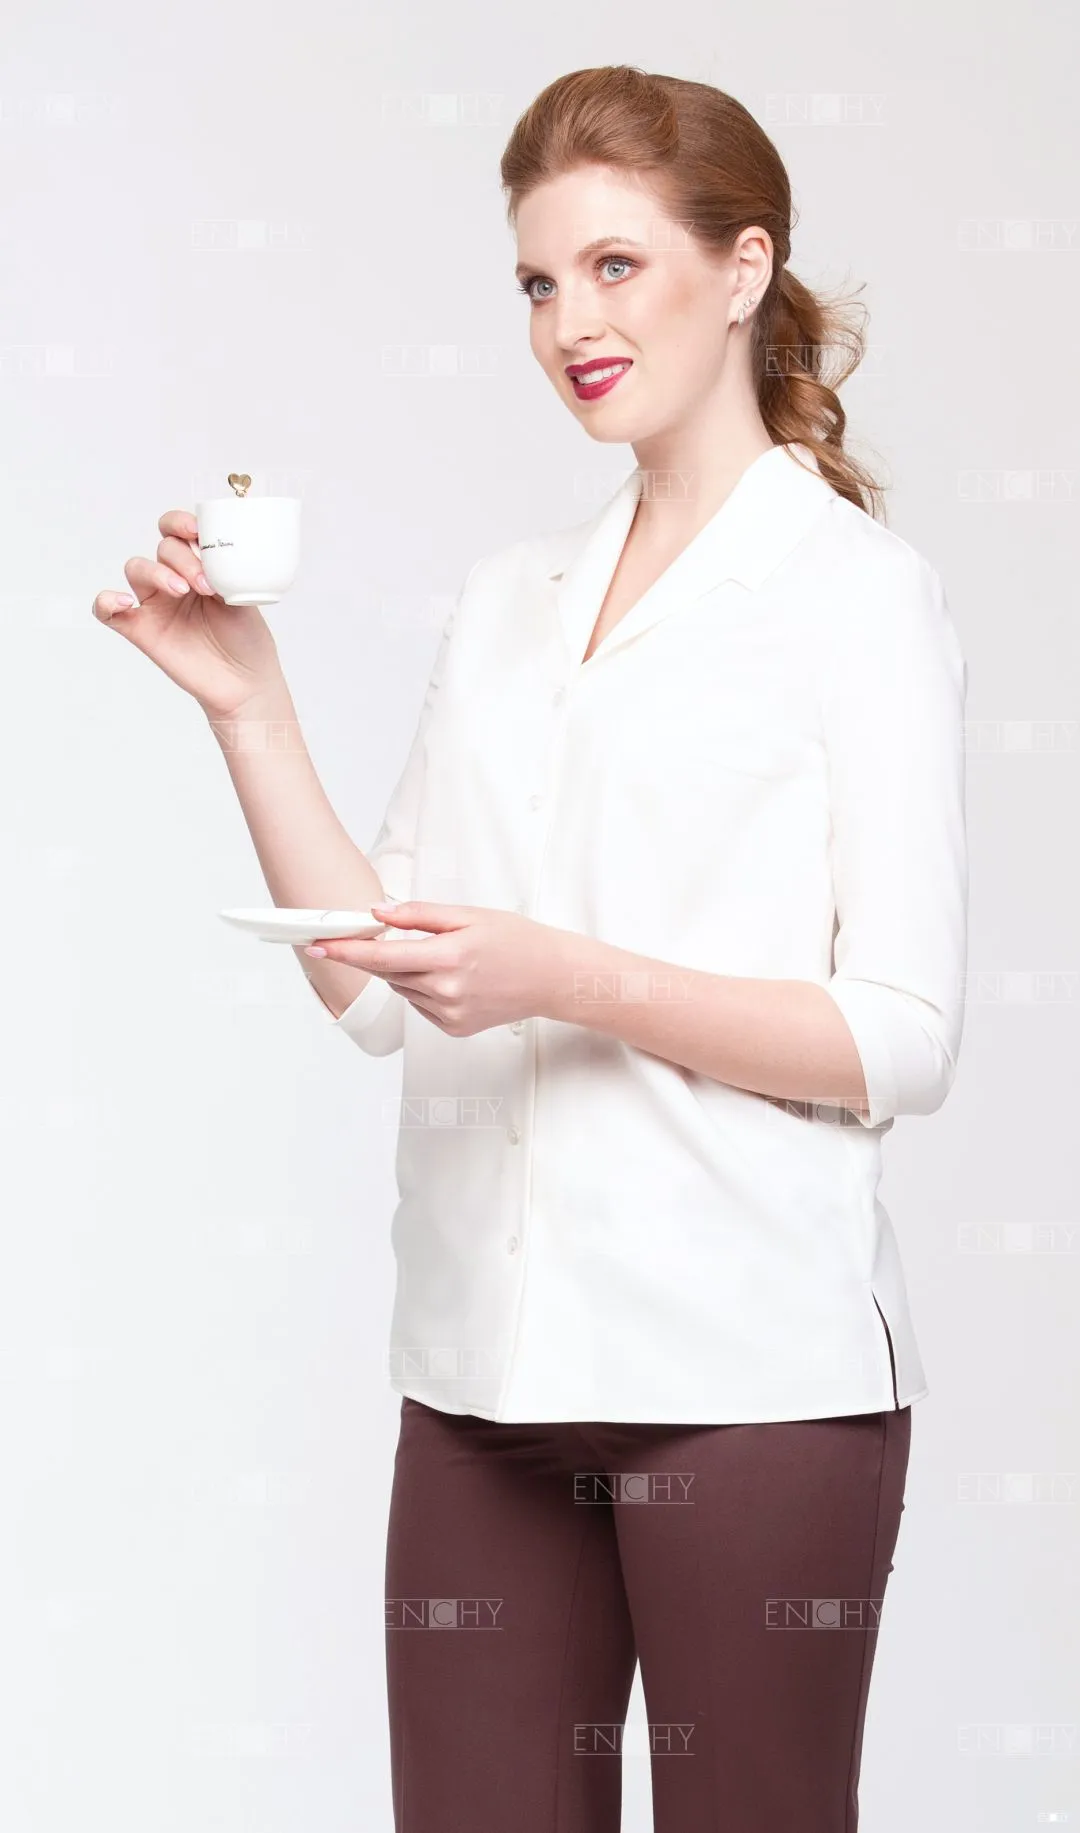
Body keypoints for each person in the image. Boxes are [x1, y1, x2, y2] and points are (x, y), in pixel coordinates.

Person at [93, 64, 968, 1833]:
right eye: (538, 281)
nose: (572, 323)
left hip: (750, 1387)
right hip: (484, 1380)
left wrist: (568, 978)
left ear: (744, 268)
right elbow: (368, 984)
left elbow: (903, 1039)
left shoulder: (855, 597)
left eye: (617, 267)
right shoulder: (509, 601)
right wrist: (250, 708)